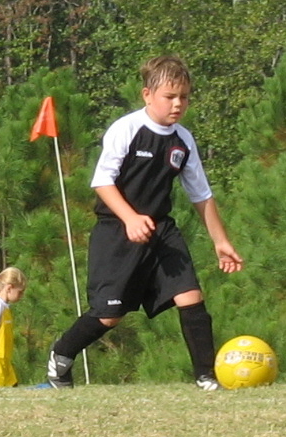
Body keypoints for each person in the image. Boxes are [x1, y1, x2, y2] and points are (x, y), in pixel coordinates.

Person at [47, 55, 243, 390]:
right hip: (116, 230)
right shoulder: (127, 129)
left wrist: (220, 241)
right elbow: (102, 182)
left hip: (161, 230)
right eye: (170, 96)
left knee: (191, 296)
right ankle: (61, 356)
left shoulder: (184, 139)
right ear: (147, 94)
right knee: (110, 314)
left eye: (184, 96)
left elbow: (201, 195)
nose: (178, 104)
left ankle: (206, 377)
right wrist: (130, 217)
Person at [0, 266, 27, 387]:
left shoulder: (5, 308)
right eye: (20, 292)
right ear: (9, 288)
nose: (21, 296)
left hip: (5, 364)